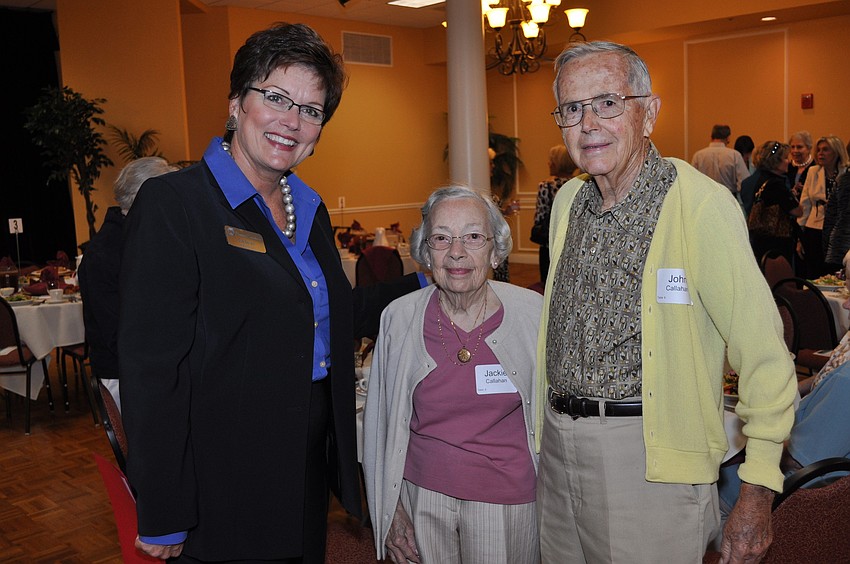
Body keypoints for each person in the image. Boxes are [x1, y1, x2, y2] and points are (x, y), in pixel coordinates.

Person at [118, 23, 424, 562]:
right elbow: (151, 369)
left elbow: (328, 317)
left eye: (311, 109)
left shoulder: (308, 206)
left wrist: (425, 281)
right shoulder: (176, 205)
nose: (293, 121)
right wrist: (163, 508)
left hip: (304, 454)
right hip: (222, 464)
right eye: (277, 97)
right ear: (236, 103)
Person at [538, 41, 796, 563]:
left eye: (607, 102)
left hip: (649, 463)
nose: (588, 123)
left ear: (648, 112)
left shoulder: (700, 207)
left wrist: (759, 485)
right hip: (557, 453)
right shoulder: (568, 202)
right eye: (571, 108)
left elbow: (766, 356)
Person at [363, 186, 542, 564]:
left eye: (473, 237)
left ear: (495, 250)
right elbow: (379, 425)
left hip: (508, 502)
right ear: (426, 252)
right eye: (441, 238)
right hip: (421, 497)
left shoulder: (533, 315)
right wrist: (391, 511)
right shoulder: (398, 317)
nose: (456, 252)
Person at [719, 249, 850, 514]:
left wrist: (749, 443)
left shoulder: (847, 382)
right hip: (820, 485)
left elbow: (797, 459)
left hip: (803, 502)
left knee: (706, 481)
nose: (845, 304)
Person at [77, 157, 178, 411]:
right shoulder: (105, 254)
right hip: (124, 377)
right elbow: (118, 335)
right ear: (144, 200)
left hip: (149, 371)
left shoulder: (140, 237)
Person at [797, 135, 849, 278]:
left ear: (837, 152)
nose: (820, 153)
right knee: (815, 272)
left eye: (825, 150)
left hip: (837, 231)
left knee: (836, 272)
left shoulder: (845, 173)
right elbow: (805, 203)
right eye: (818, 150)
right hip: (814, 228)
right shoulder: (813, 171)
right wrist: (800, 237)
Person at [747, 141, 802, 265]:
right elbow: (797, 211)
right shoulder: (776, 184)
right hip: (777, 243)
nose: (788, 161)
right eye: (785, 158)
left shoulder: (761, 180)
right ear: (775, 162)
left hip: (761, 240)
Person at [531, 145, 579, 282]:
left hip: (551, 244)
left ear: (557, 163)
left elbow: (540, 218)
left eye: (551, 160)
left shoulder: (546, 186)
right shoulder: (582, 183)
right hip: (574, 242)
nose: (549, 163)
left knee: (549, 283)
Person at [691, 124, 750, 196]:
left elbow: (693, 181)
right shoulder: (734, 155)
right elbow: (745, 182)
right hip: (728, 197)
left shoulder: (698, 156)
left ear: (712, 137)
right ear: (728, 138)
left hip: (705, 197)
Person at [823, 169, 850, 273]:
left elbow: (830, 218)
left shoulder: (842, 179)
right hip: (839, 246)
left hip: (837, 246)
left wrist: (827, 248)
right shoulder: (843, 180)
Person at [787, 131, 814, 199]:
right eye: (792, 147)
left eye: (799, 147)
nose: (795, 150)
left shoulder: (815, 167)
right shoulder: (786, 168)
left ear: (809, 148)